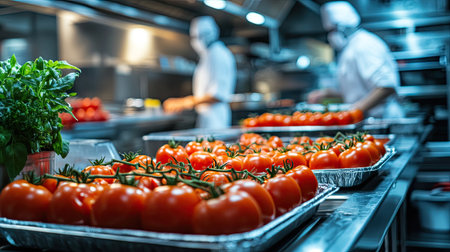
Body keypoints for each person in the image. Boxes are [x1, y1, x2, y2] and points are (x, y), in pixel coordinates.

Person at [308, 1, 404, 118]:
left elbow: (386, 86)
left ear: (342, 27)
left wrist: (351, 113)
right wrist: (327, 93)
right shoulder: (349, 48)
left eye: (332, 30)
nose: (330, 36)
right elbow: (358, 91)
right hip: (368, 118)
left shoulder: (364, 45)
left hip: (382, 118)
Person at [163, 16, 237, 129]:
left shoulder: (217, 54)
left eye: (200, 36)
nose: (197, 40)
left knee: (214, 146)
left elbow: (217, 95)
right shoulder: (208, 55)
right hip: (207, 117)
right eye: (194, 37)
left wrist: (184, 102)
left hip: (215, 119)